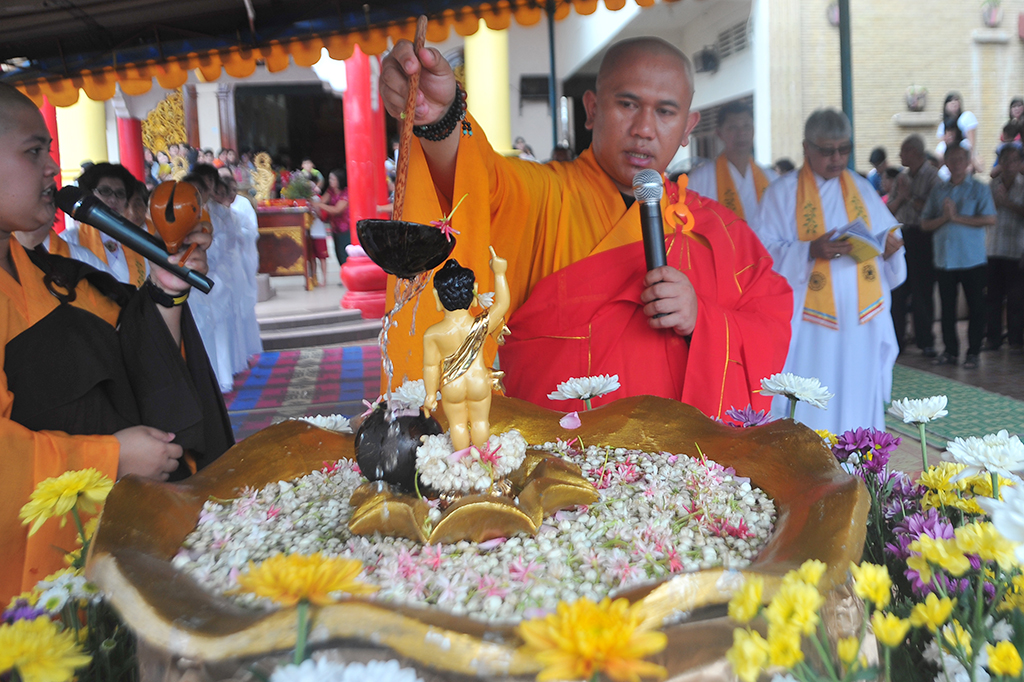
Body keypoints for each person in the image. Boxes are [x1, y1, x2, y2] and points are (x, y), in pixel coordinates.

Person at [379, 37, 793, 418]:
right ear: (592, 109)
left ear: (688, 127)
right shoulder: (546, 197)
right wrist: (440, 118)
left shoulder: (718, 231)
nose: (644, 129)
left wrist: (701, 318)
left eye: (665, 112)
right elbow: (477, 179)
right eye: (628, 104)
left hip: (685, 468)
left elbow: (770, 323)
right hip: (563, 463)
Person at [0, 84, 233, 604]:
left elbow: (134, 363)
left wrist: (165, 293)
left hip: (102, 550)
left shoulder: (54, 279)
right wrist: (110, 457)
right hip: (24, 589)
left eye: (49, 152)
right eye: (33, 152)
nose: (51, 169)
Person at [754, 109, 906, 432]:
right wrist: (808, 251)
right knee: (811, 401)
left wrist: (892, 250)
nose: (837, 158)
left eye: (843, 149)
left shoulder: (862, 189)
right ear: (806, 148)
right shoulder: (782, 193)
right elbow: (760, 253)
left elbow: (888, 237)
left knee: (856, 398)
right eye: (827, 150)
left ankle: (858, 458)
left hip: (862, 321)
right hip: (811, 325)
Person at [422, 252, 510, 451]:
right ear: (475, 292)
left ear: (436, 296)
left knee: (458, 425)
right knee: (481, 422)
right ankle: (483, 463)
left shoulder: (433, 334)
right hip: (478, 382)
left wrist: (430, 395)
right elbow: (502, 304)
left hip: (451, 385)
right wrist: (499, 273)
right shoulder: (481, 324)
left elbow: (430, 367)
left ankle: (463, 464)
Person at [921, 144, 996, 368]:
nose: (956, 164)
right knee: (947, 309)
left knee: (977, 307)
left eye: (960, 159)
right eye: (951, 159)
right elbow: (925, 223)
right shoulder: (938, 190)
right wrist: (945, 218)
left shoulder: (980, 188)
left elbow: (990, 219)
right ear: (945, 162)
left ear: (968, 162)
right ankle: (950, 351)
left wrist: (956, 218)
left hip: (972, 259)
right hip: (945, 259)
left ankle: (973, 352)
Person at [887, 134, 942, 357]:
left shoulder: (933, 176)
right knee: (898, 290)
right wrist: (902, 197)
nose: (900, 155)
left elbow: (933, 210)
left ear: (915, 152)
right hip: (901, 235)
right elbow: (888, 209)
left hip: (923, 236)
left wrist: (909, 197)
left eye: (904, 151)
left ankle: (925, 341)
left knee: (922, 291)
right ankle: (897, 341)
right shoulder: (901, 177)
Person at [687, 101, 776, 228]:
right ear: (719, 133)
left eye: (746, 126)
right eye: (733, 128)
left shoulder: (771, 179)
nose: (741, 133)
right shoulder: (699, 180)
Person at [60, 162, 150, 287]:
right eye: (105, 191)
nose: (113, 199)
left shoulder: (138, 240)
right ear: (89, 194)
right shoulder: (69, 240)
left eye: (120, 194)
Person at [984, 144, 1024, 351]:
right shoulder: (992, 185)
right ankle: (993, 339)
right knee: (993, 297)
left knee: (1016, 299)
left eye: (1014, 160)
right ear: (1000, 162)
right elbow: (983, 213)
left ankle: (1016, 339)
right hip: (993, 248)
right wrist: (995, 204)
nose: (1009, 165)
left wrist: (1008, 203)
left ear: (1020, 163)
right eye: (1005, 160)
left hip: (1016, 250)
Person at [312, 169, 351, 267]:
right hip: (335, 227)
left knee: (345, 254)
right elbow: (322, 201)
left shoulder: (346, 193)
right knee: (338, 254)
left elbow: (337, 210)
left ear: (340, 180)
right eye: (330, 179)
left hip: (346, 228)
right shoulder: (331, 191)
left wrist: (319, 205)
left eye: (333, 179)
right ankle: (343, 273)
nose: (330, 181)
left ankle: (347, 273)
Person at [936, 92, 980, 171]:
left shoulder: (966, 117)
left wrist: (971, 161)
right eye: (950, 101)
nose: (954, 102)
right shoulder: (942, 125)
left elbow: (971, 143)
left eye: (956, 100)